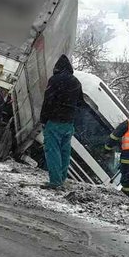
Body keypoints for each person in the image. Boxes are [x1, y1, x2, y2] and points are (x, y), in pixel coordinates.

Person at [39, 54, 82, 189]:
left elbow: (48, 101)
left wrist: (43, 119)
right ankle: (62, 179)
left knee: (53, 151)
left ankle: (55, 181)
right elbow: (81, 103)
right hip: (68, 123)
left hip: (54, 121)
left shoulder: (54, 80)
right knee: (64, 152)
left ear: (57, 68)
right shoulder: (76, 82)